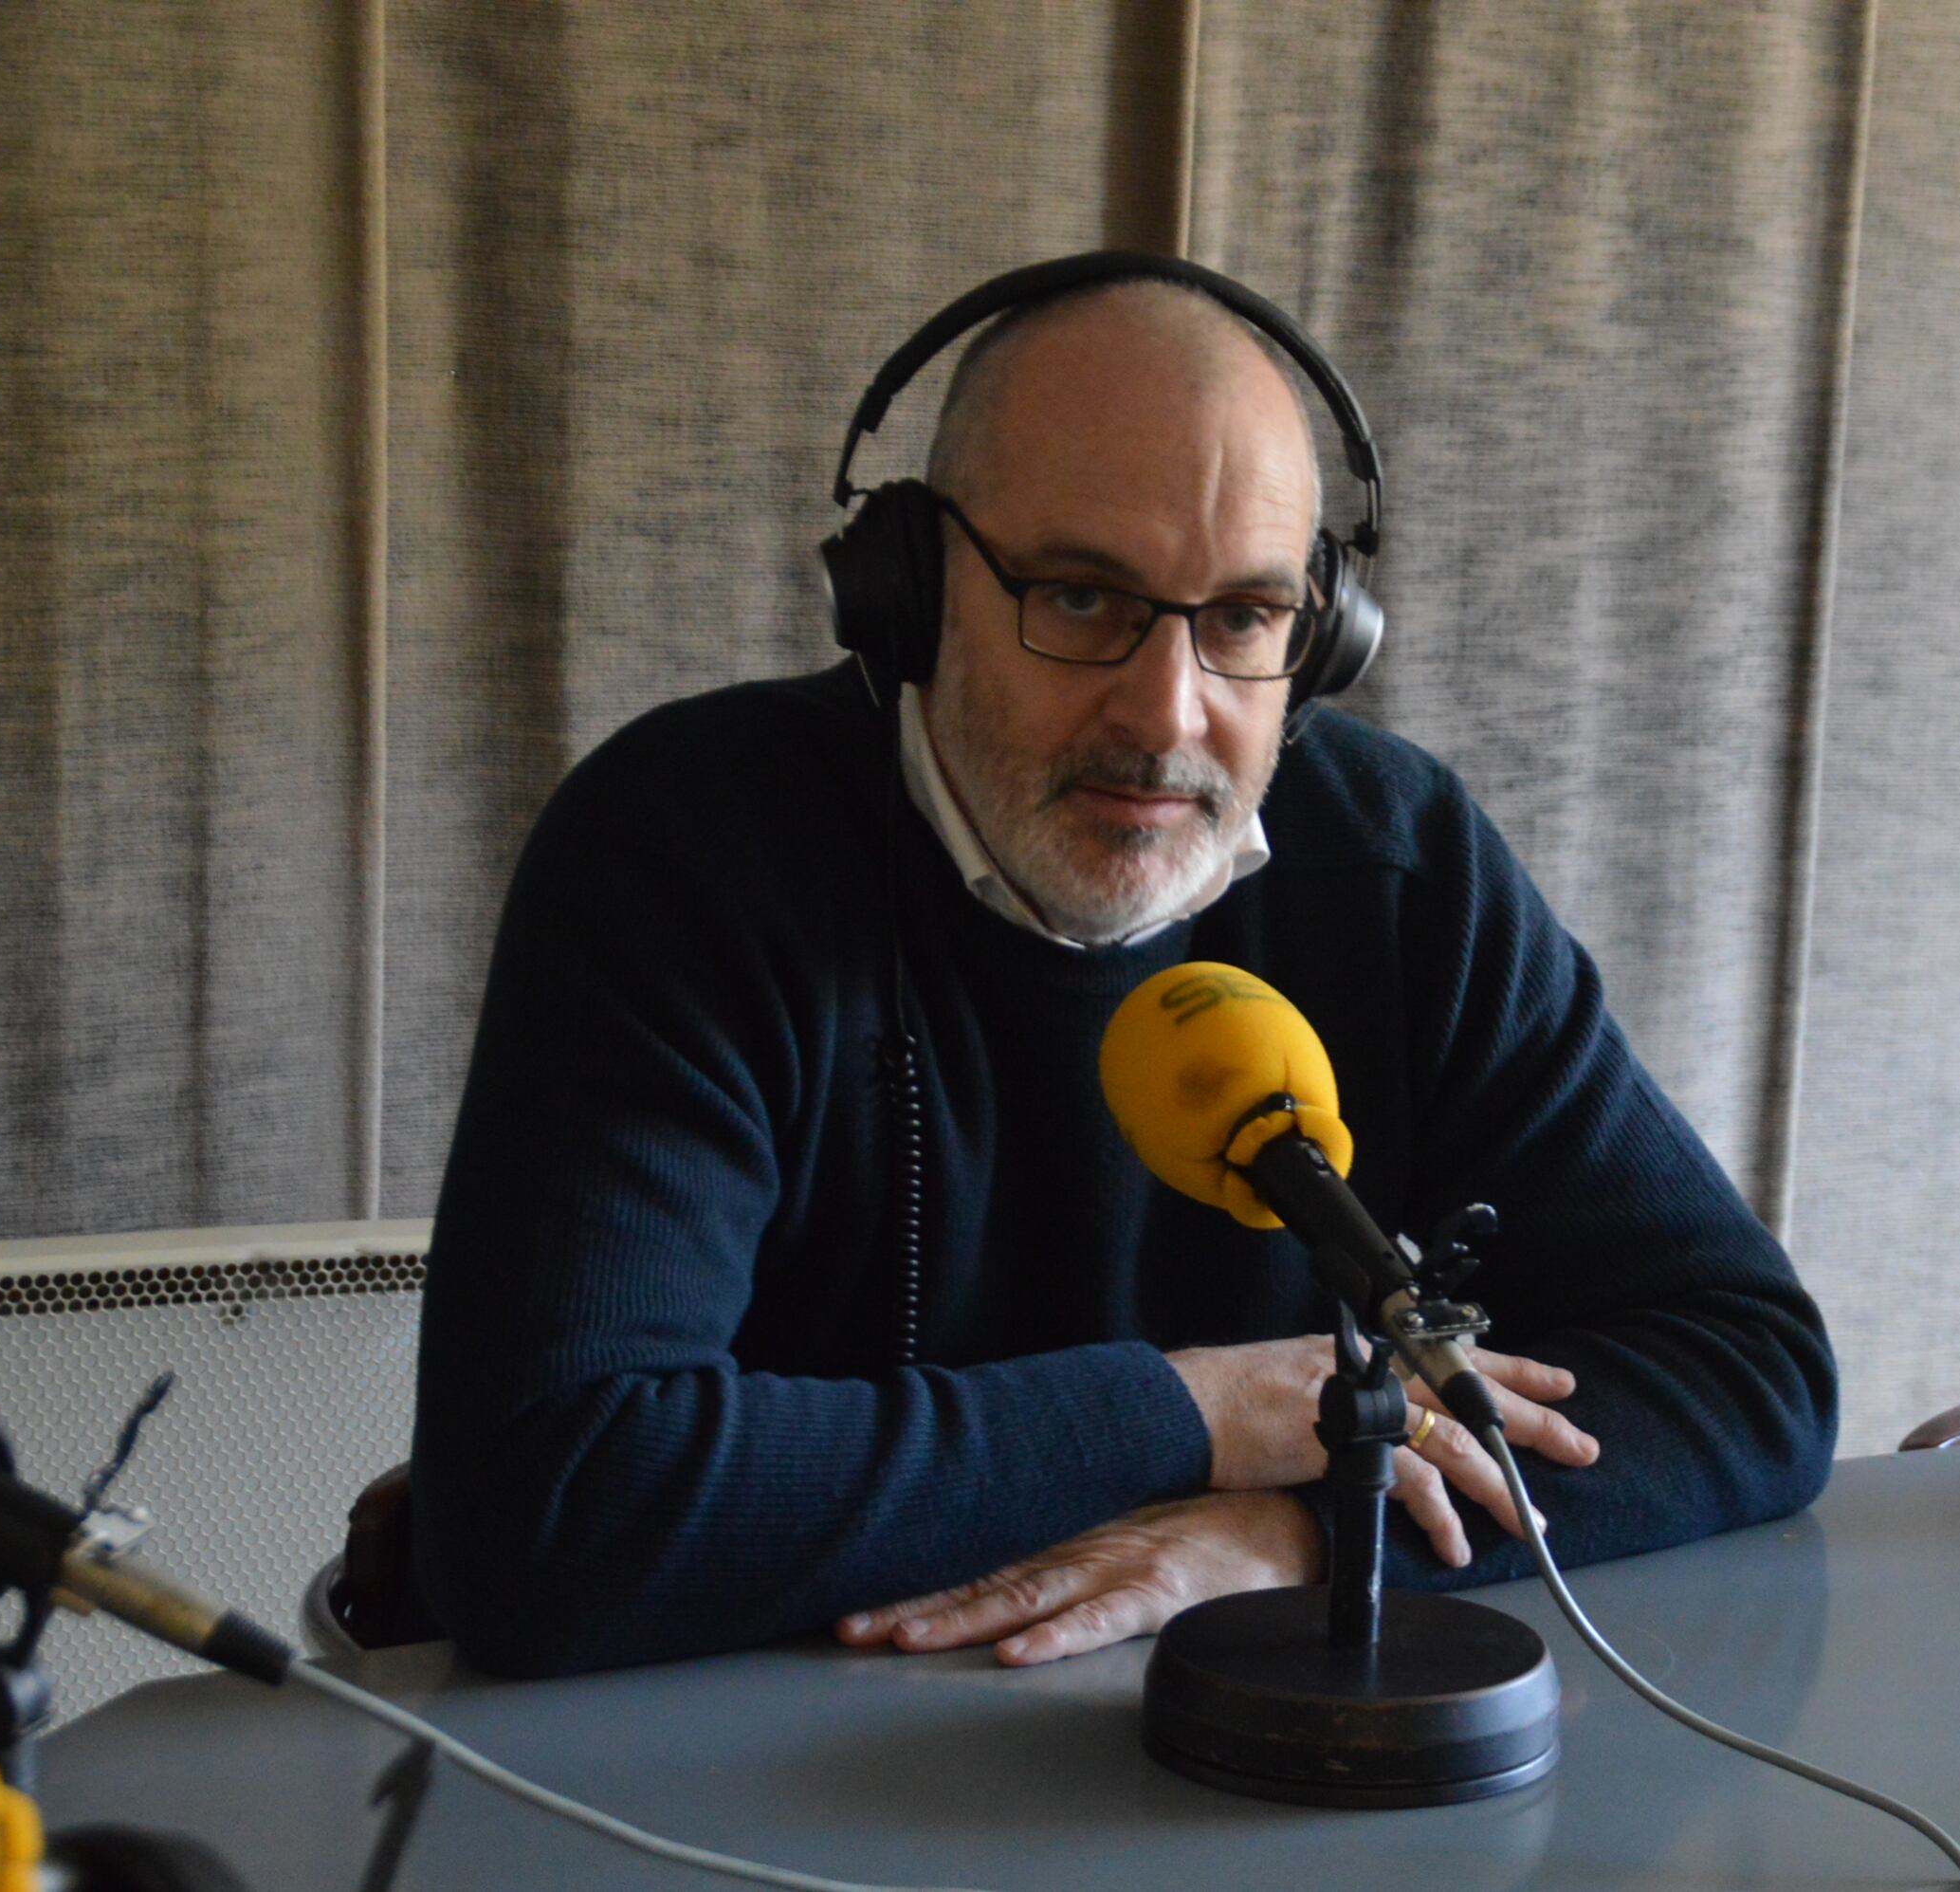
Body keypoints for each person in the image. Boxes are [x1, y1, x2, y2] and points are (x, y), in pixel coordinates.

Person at [412, 262, 1838, 1680]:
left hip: (1242, 1747)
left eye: (1245, 618)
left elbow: (1745, 1367)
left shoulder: (1399, 863)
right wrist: (1196, 1416)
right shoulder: (685, 848)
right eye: (1084, 598)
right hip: (764, 1750)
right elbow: (547, 1504)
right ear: (914, 588)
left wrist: (1307, 1530)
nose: (1169, 714)